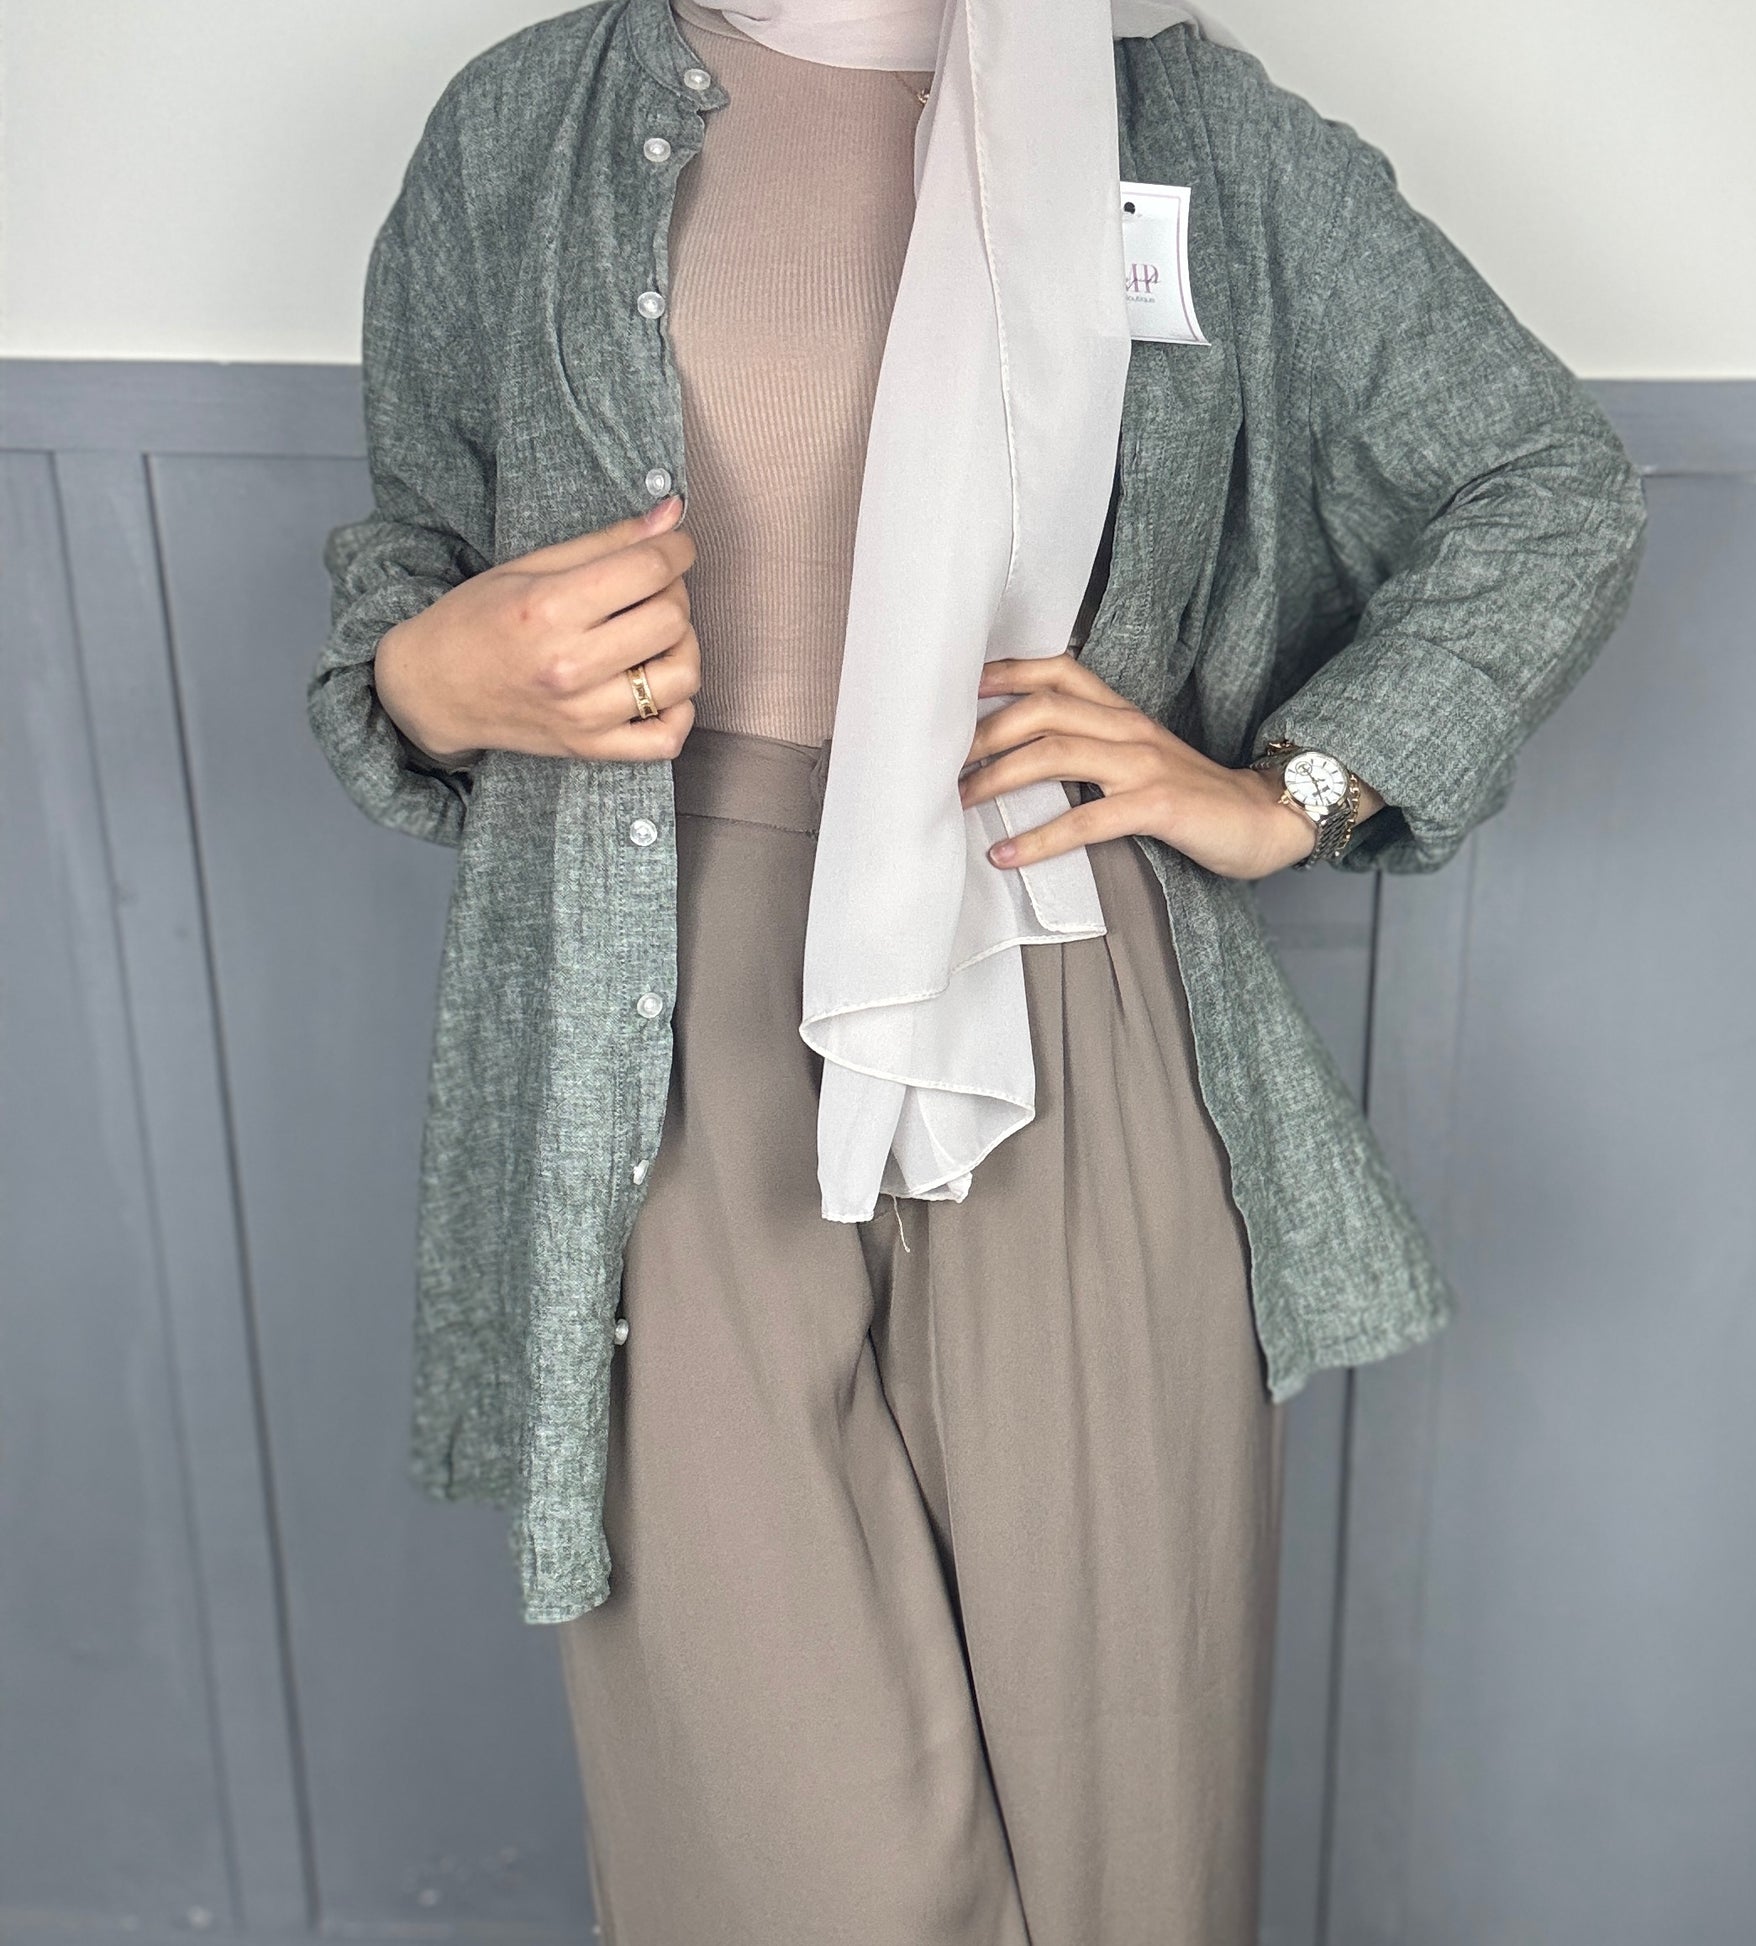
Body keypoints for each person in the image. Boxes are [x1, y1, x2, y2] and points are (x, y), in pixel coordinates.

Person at [309, 0, 1648, 1939]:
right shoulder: (525, 128)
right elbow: (409, 561)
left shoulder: (1187, 132)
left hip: (1067, 999)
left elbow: (1546, 480)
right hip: (657, 1045)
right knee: (778, 1866)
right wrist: (431, 681)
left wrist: (1290, 789)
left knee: (1126, 1847)